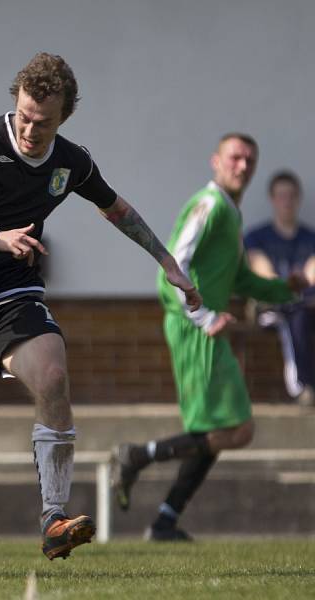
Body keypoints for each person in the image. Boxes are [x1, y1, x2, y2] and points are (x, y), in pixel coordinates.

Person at [0, 52, 201, 562]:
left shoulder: (71, 160)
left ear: (63, 117)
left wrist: (165, 260)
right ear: (16, 103)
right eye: (23, 115)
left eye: (42, 122)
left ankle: (54, 518)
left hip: (9, 292)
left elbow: (116, 207)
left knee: (51, 376)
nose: (29, 129)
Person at [111, 134, 307, 541]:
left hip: (206, 327)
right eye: (235, 157)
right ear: (216, 161)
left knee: (216, 430)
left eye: (250, 160)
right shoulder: (209, 204)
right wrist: (200, 316)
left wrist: (287, 288)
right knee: (238, 429)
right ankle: (136, 456)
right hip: (193, 328)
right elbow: (171, 266)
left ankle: (165, 521)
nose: (243, 166)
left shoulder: (230, 213)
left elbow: (241, 279)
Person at [244, 170, 315, 406]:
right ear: (272, 199)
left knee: (300, 312)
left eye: (291, 195)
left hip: (305, 305)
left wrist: (300, 286)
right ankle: (302, 386)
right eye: (281, 195)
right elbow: (262, 271)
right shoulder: (256, 237)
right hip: (270, 308)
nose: (287, 201)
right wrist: (291, 287)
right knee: (291, 315)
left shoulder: (311, 238)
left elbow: (311, 275)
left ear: (298, 198)